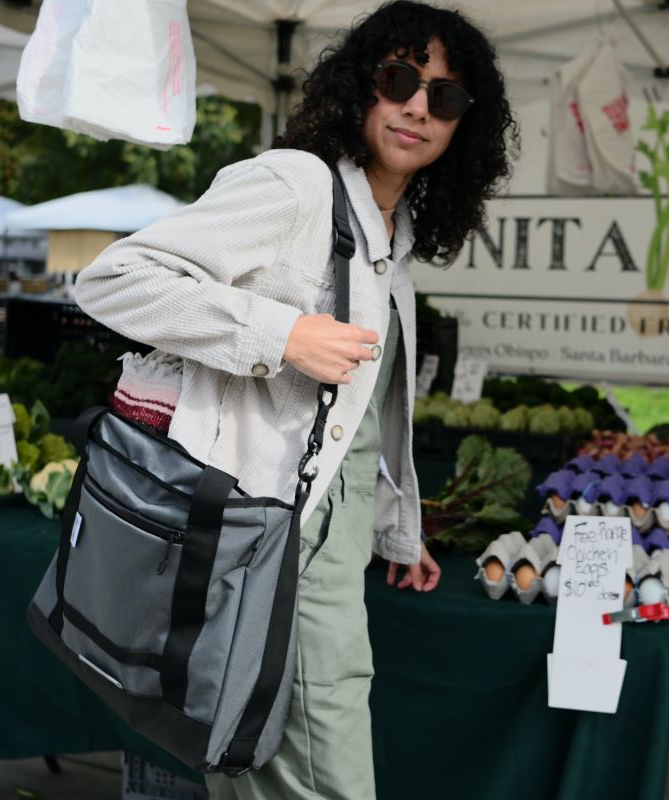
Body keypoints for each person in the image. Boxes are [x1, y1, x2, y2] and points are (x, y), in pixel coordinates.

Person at [73, 2, 517, 797]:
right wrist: (279, 334)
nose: (419, 105)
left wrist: (393, 525)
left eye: (445, 97)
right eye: (400, 80)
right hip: (276, 546)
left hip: (323, 549)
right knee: (322, 776)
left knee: (261, 768)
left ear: (461, 129)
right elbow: (111, 279)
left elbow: (363, 428)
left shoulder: (394, 234)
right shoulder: (298, 187)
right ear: (361, 89)